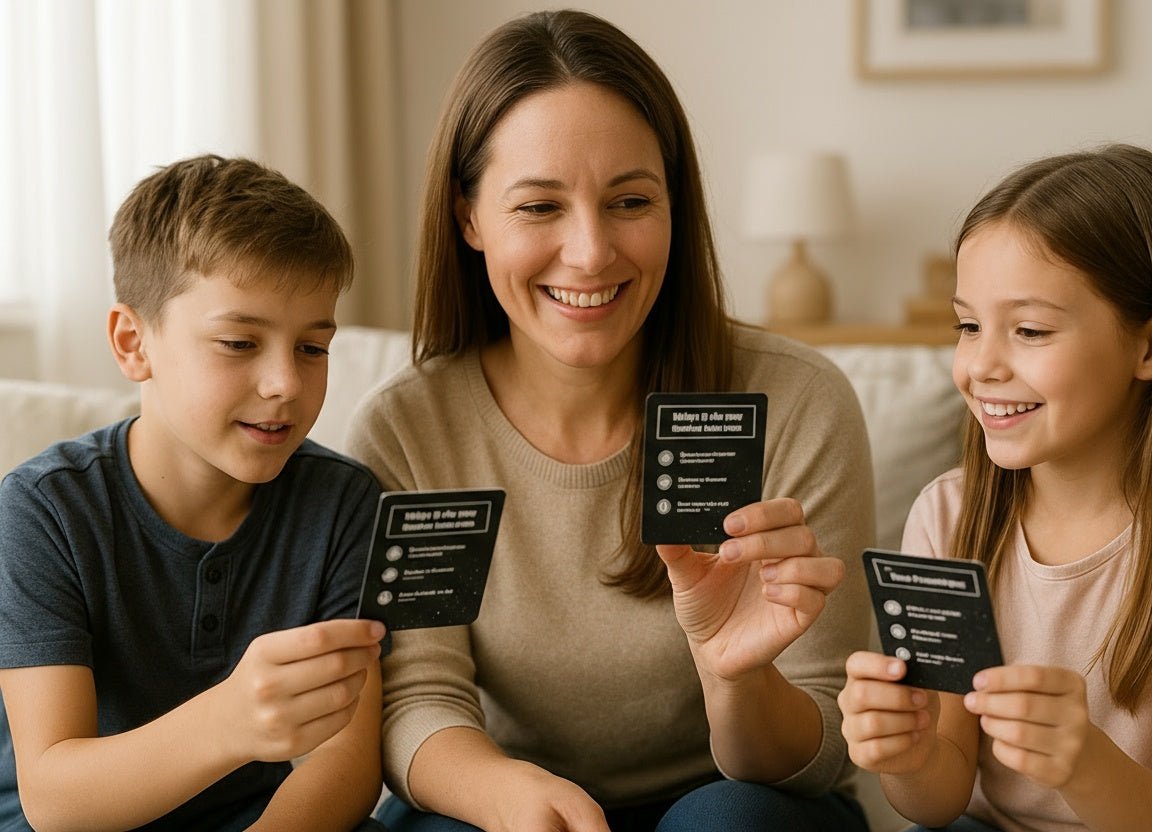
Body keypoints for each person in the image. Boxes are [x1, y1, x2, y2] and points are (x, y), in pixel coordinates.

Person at [346, 9, 873, 832]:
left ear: (675, 205)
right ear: (468, 217)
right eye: (540, 207)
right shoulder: (410, 430)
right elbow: (420, 697)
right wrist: (510, 797)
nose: (591, 252)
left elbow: (828, 738)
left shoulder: (797, 403)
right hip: (508, 798)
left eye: (630, 200)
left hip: (740, 801)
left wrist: (736, 680)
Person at [838, 143, 1152, 832]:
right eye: (968, 326)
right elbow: (936, 803)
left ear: (1151, 347)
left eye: (1029, 330)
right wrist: (904, 757)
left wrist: (1084, 762)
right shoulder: (949, 515)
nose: (981, 365)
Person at [0, 154, 388, 831]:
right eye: (239, 342)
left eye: (312, 349)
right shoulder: (43, 512)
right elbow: (54, 798)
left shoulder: (344, 505)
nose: (285, 385)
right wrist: (230, 721)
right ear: (133, 343)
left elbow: (345, 765)